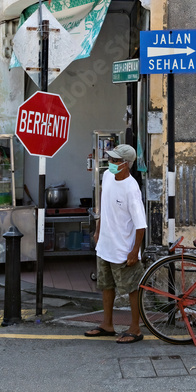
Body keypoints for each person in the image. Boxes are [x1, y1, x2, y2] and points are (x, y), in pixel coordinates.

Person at [85, 144, 146, 344]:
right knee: (106, 286)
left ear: (126, 165)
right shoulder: (107, 177)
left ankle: (135, 328)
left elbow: (140, 225)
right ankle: (107, 324)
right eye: (110, 159)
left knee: (131, 288)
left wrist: (134, 251)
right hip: (105, 244)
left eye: (115, 161)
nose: (110, 163)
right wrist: (98, 229)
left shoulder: (132, 189)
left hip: (124, 249)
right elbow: (105, 203)